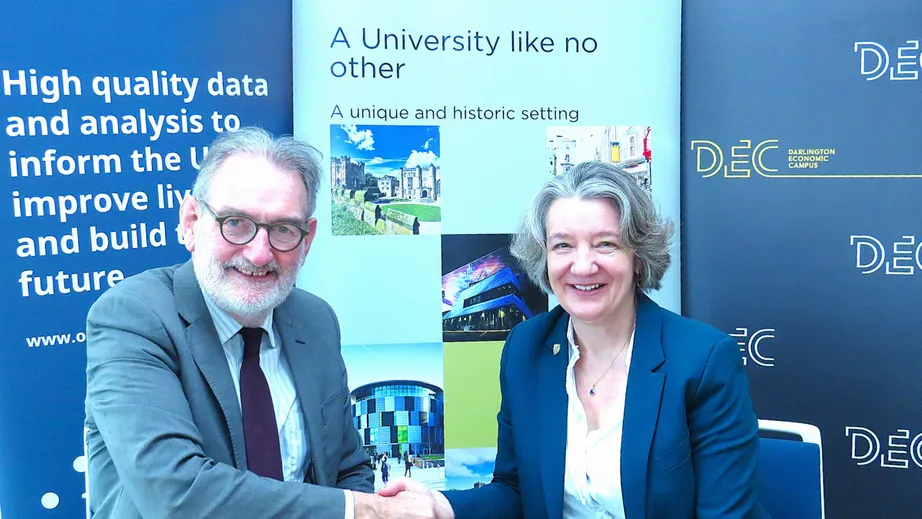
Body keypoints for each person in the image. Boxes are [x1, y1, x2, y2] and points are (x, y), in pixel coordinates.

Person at [380, 161, 769, 518]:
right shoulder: (525, 348)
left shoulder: (702, 359)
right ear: (544, 257)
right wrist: (441, 506)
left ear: (638, 256)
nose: (582, 266)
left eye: (605, 243)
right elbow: (517, 490)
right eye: (562, 245)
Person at [85, 127, 438, 519]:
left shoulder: (315, 321)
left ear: (307, 241)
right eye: (235, 222)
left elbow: (347, 468)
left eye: (283, 230)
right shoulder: (133, 317)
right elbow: (175, 492)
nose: (258, 253)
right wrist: (366, 511)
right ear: (191, 221)